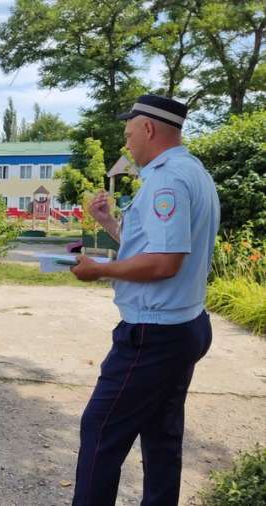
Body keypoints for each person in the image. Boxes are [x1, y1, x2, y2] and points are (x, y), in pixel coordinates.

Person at [69, 94, 220, 506]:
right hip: (184, 325)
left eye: (128, 131)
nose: (127, 141)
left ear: (149, 128)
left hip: (153, 334)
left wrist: (99, 269)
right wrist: (110, 224)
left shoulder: (166, 179)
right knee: (161, 434)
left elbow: (164, 263)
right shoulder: (193, 171)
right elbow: (154, 247)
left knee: (100, 429)